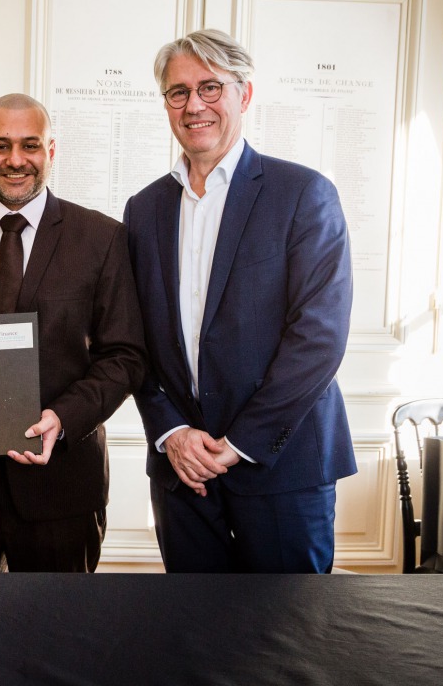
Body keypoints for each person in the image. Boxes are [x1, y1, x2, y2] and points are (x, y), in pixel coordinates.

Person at [123, 29, 356, 573]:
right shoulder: (143, 210)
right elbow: (132, 340)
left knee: (286, 638)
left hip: (282, 465)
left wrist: (241, 443)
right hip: (183, 471)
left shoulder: (303, 194)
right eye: (178, 92)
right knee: (197, 642)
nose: (194, 105)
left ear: (244, 95)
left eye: (210, 87)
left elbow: (319, 336)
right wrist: (172, 433)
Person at [0, 93, 146, 573]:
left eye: (30, 145)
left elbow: (125, 356)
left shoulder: (101, 238)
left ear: (50, 152)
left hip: (61, 483)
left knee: (56, 635)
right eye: (0, 146)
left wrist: (64, 417)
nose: (15, 160)